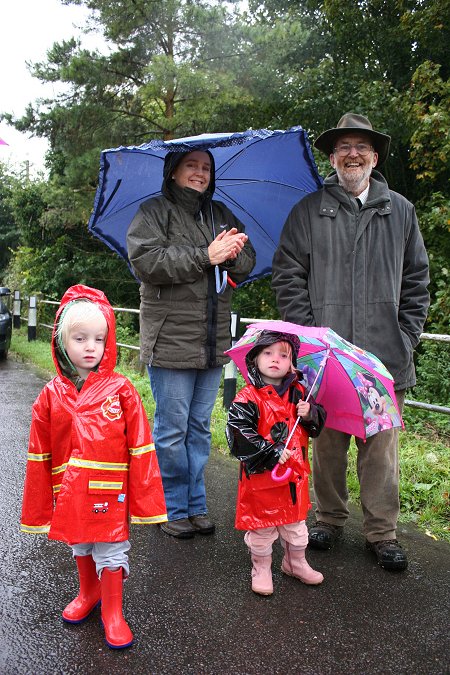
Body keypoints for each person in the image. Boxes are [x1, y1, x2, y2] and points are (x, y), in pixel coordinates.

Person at [272, 113, 430, 572]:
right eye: (344, 148)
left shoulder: (399, 210)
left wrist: (406, 336)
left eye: (361, 147)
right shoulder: (309, 210)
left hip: (384, 360)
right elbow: (288, 276)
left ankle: (382, 533)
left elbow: (418, 280)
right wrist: (311, 339)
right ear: (333, 157)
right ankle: (329, 519)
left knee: (381, 450)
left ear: (374, 156)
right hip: (328, 360)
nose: (352, 154)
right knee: (327, 444)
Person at [20, 284, 167, 649]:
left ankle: (113, 610)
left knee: (111, 547)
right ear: (60, 342)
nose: (90, 347)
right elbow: (38, 455)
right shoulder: (50, 395)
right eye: (80, 338)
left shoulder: (122, 390)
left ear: (109, 341)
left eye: (98, 339)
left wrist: (144, 501)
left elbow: (142, 448)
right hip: (69, 491)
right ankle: (89, 593)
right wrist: (40, 507)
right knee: (80, 543)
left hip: (108, 492)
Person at [127, 149, 256, 539]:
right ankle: (171, 505)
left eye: (206, 168)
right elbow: (145, 261)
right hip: (170, 338)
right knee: (171, 429)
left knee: (199, 427)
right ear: (173, 172)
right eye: (192, 166)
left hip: (213, 339)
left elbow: (248, 260)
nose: (200, 173)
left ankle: (196, 505)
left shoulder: (220, 215)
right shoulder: (154, 211)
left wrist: (232, 255)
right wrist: (206, 254)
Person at [226, 330, 327, 595]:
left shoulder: (301, 393)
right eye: (268, 353)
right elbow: (238, 434)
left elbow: (316, 428)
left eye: (283, 355)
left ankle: (295, 562)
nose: (275, 359)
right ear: (255, 359)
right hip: (262, 479)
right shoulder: (247, 398)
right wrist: (270, 451)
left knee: (296, 527)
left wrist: (310, 414)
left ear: (292, 363)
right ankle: (261, 567)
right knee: (262, 528)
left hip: (294, 478)